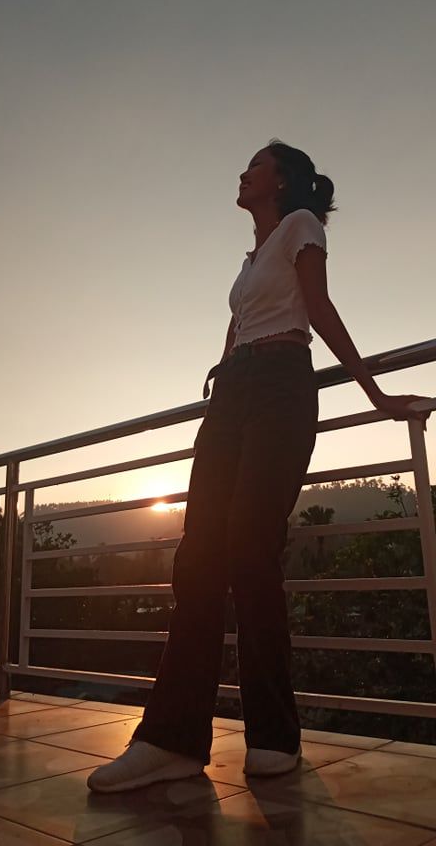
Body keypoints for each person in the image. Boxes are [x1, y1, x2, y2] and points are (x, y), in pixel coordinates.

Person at [87, 140, 430, 794]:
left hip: (281, 386)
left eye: (254, 165)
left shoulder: (301, 226)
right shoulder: (250, 259)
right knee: (197, 559)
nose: (242, 173)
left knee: (249, 552)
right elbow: (243, 319)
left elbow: (317, 307)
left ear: (282, 180)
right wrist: (224, 365)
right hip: (239, 392)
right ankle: (173, 741)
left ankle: (274, 737)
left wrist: (376, 394)